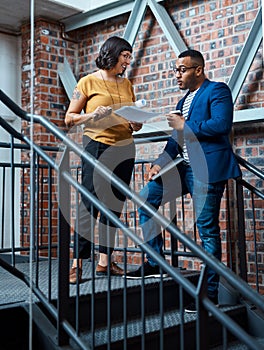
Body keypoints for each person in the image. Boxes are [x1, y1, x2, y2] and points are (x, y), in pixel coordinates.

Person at [126, 49, 241, 312]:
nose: (177, 74)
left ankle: (210, 294)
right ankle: (154, 262)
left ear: (198, 70)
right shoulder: (182, 102)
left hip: (208, 170)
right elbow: (175, 141)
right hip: (185, 169)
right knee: (145, 198)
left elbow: (222, 125)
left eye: (182, 69)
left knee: (206, 229)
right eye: (175, 69)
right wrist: (159, 162)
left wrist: (184, 127)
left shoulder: (217, 90)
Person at [65, 36, 142, 284]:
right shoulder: (87, 82)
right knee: (90, 203)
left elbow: (134, 122)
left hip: (124, 148)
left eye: (130, 57)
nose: (128, 62)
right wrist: (91, 115)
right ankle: (76, 264)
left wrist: (136, 122)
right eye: (126, 56)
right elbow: (70, 118)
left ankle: (104, 262)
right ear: (113, 53)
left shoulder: (127, 84)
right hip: (97, 146)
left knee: (114, 206)